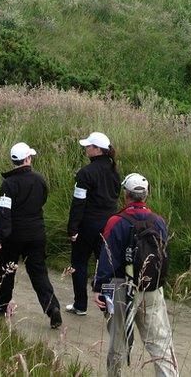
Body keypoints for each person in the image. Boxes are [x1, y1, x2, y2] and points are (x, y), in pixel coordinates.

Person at [93, 173, 177, 377]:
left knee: (118, 341)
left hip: (122, 287)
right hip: (152, 287)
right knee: (160, 341)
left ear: (126, 195)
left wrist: (99, 288)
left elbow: (107, 258)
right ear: (146, 195)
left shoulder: (116, 221)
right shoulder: (159, 222)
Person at [0, 142, 63, 329]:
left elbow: (3, 213)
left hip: (13, 236)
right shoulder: (39, 180)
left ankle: (1, 306)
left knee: (7, 272)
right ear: (27, 159)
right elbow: (43, 199)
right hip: (37, 234)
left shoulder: (8, 184)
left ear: (13, 161)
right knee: (39, 273)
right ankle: (52, 308)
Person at [66, 131, 121, 316]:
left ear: (97, 150)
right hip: (109, 226)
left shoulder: (85, 173)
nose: (86, 149)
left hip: (88, 225)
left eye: (88, 146)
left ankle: (80, 305)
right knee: (106, 265)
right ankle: (109, 306)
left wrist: (72, 227)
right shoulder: (115, 172)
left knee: (79, 263)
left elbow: (78, 203)